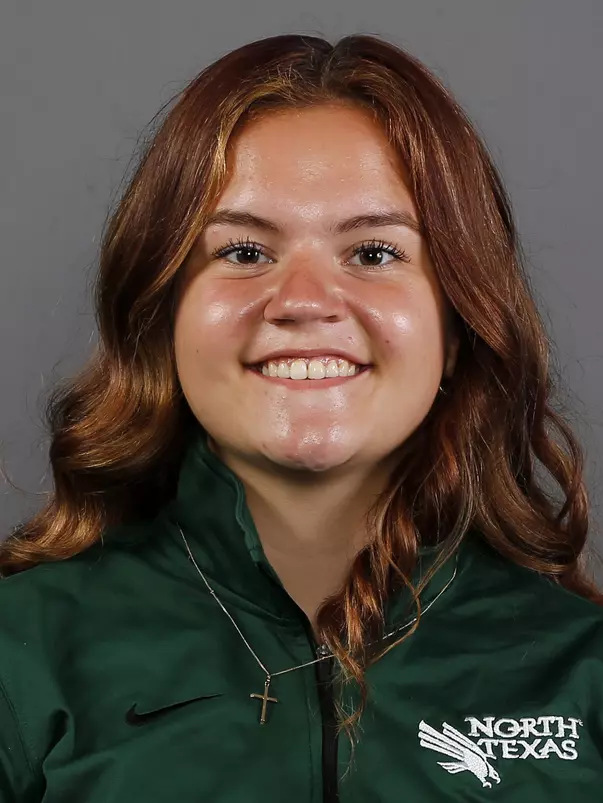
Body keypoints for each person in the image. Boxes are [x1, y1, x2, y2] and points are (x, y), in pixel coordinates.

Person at [0, 31, 602, 803]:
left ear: (456, 324)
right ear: (162, 312)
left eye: (375, 253)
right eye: (244, 252)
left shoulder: (579, 667)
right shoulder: (22, 658)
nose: (305, 300)